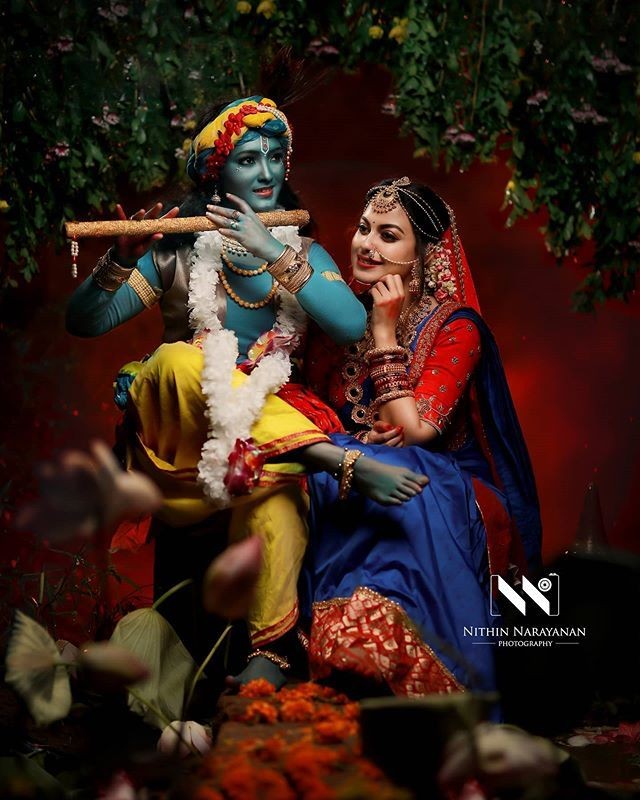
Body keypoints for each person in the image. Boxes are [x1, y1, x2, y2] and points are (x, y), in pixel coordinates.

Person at [65, 98, 427, 688]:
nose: (266, 173)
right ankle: (331, 459)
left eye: (276, 157)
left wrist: (273, 251)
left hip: (258, 450)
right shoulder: (176, 252)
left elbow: (349, 325)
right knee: (177, 359)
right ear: (216, 172)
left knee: (278, 503)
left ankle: (270, 655)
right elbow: (85, 322)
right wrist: (115, 262)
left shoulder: (303, 253)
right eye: (248, 159)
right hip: (179, 438)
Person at [300, 177, 542, 699]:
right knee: (320, 472)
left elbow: (414, 433)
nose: (366, 244)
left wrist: (385, 334)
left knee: (398, 475)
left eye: (388, 235)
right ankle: (336, 652)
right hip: (356, 471)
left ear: (423, 255)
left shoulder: (456, 327)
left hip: (446, 487)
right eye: (364, 228)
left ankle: (405, 662)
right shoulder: (339, 318)